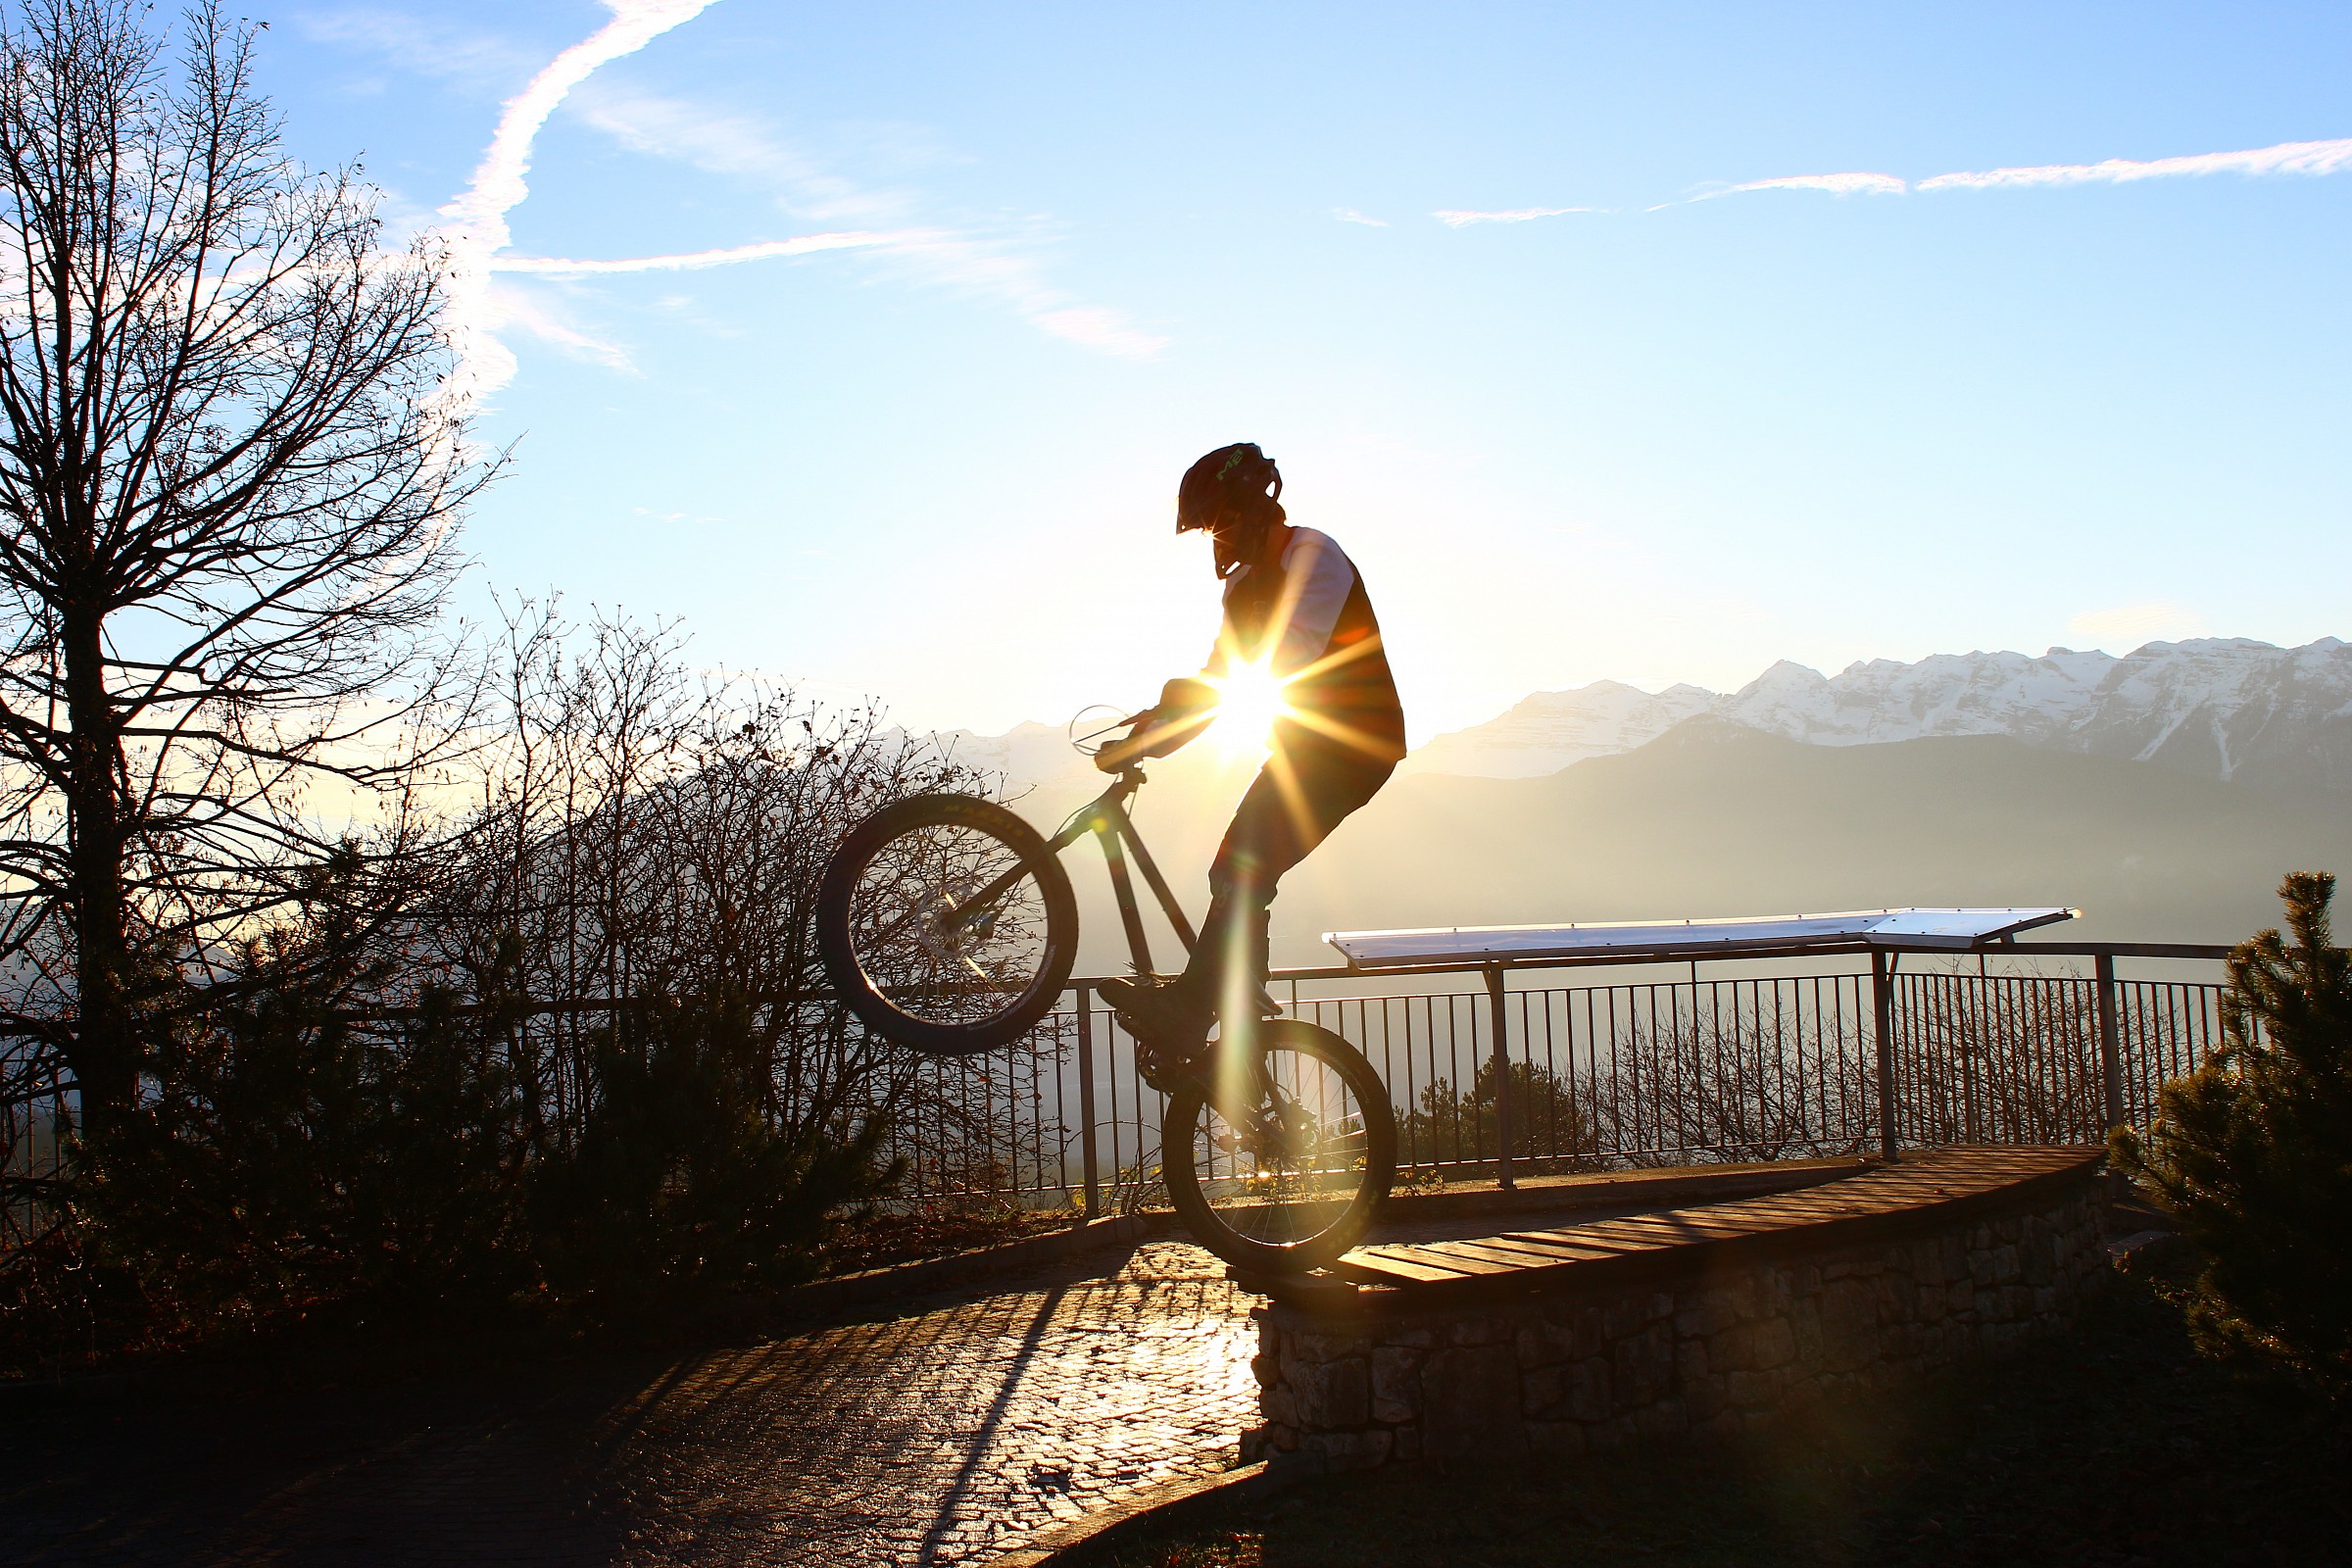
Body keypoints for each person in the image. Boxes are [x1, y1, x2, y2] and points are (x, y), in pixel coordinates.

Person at [1095, 443, 1405, 1050]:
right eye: (1209, 527)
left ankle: (1196, 1007)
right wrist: (1150, 738)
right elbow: (1219, 681)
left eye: (1221, 520)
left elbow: (1295, 651)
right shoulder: (1241, 591)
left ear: (1254, 507)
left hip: (1357, 747)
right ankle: (1233, 1001)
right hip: (1302, 751)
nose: (1218, 538)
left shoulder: (1313, 554)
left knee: (1246, 861)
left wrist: (1188, 697)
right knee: (1232, 868)